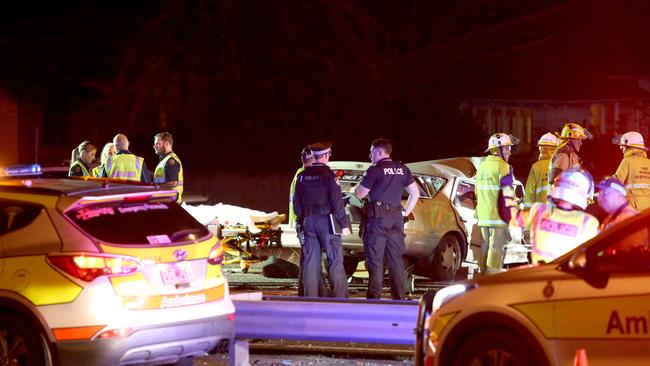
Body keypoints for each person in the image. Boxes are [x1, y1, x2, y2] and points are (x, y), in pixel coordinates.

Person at [354, 138, 419, 300]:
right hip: (396, 218)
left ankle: (374, 299)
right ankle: (399, 298)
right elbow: (415, 193)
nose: (370, 155)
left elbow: (360, 194)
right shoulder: (402, 169)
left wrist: (357, 185)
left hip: (378, 219)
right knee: (395, 260)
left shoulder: (374, 171)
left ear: (379, 152)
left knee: (375, 261)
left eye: (371, 152)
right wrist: (405, 213)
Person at [500, 168, 599, 264]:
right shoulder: (589, 223)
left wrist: (506, 188)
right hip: (569, 279)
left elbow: (509, 216)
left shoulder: (539, 211)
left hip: (538, 276)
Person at [293, 142, 350, 298]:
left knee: (311, 262)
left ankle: (310, 297)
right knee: (335, 260)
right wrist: (344, 224)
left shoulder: (302, 176)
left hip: (308, 221)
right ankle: (339, 298)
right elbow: (337, 202)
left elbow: (296, 203)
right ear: (325, 156)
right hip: (328, 221)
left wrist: (302, 220)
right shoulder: (329, 176)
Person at [475, 132, 518, 274]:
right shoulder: (504, 167)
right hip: (497, 217)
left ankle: (481, 276)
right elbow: (508, 193)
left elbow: (477, 192)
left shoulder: (482, 167)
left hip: (483, 216)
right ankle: (491, 279)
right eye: (506, 148)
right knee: (496, 249)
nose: (509, 152)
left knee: (485, 247)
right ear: (496, 150)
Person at [612, 131, 650, 211]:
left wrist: (604, 182)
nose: (621, 149)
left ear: (629, 147)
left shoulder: (627, 161)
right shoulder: (649, 163)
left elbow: (616, 182)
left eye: (623, 146)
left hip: (633, 208)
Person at [523, 133, 559, 208]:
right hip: (556, 211)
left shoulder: (536, 167)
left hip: (540, 211)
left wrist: (527, 211)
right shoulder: (561, 165)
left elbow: (529, 193)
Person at [153, 132, 183, 203]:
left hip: (170, 204)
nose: (154, 146)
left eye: (157, 144)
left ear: (166, 144)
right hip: (167, 203)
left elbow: (172, 183)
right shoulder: (165, 160)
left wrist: (154, 189)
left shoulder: (170, 160)